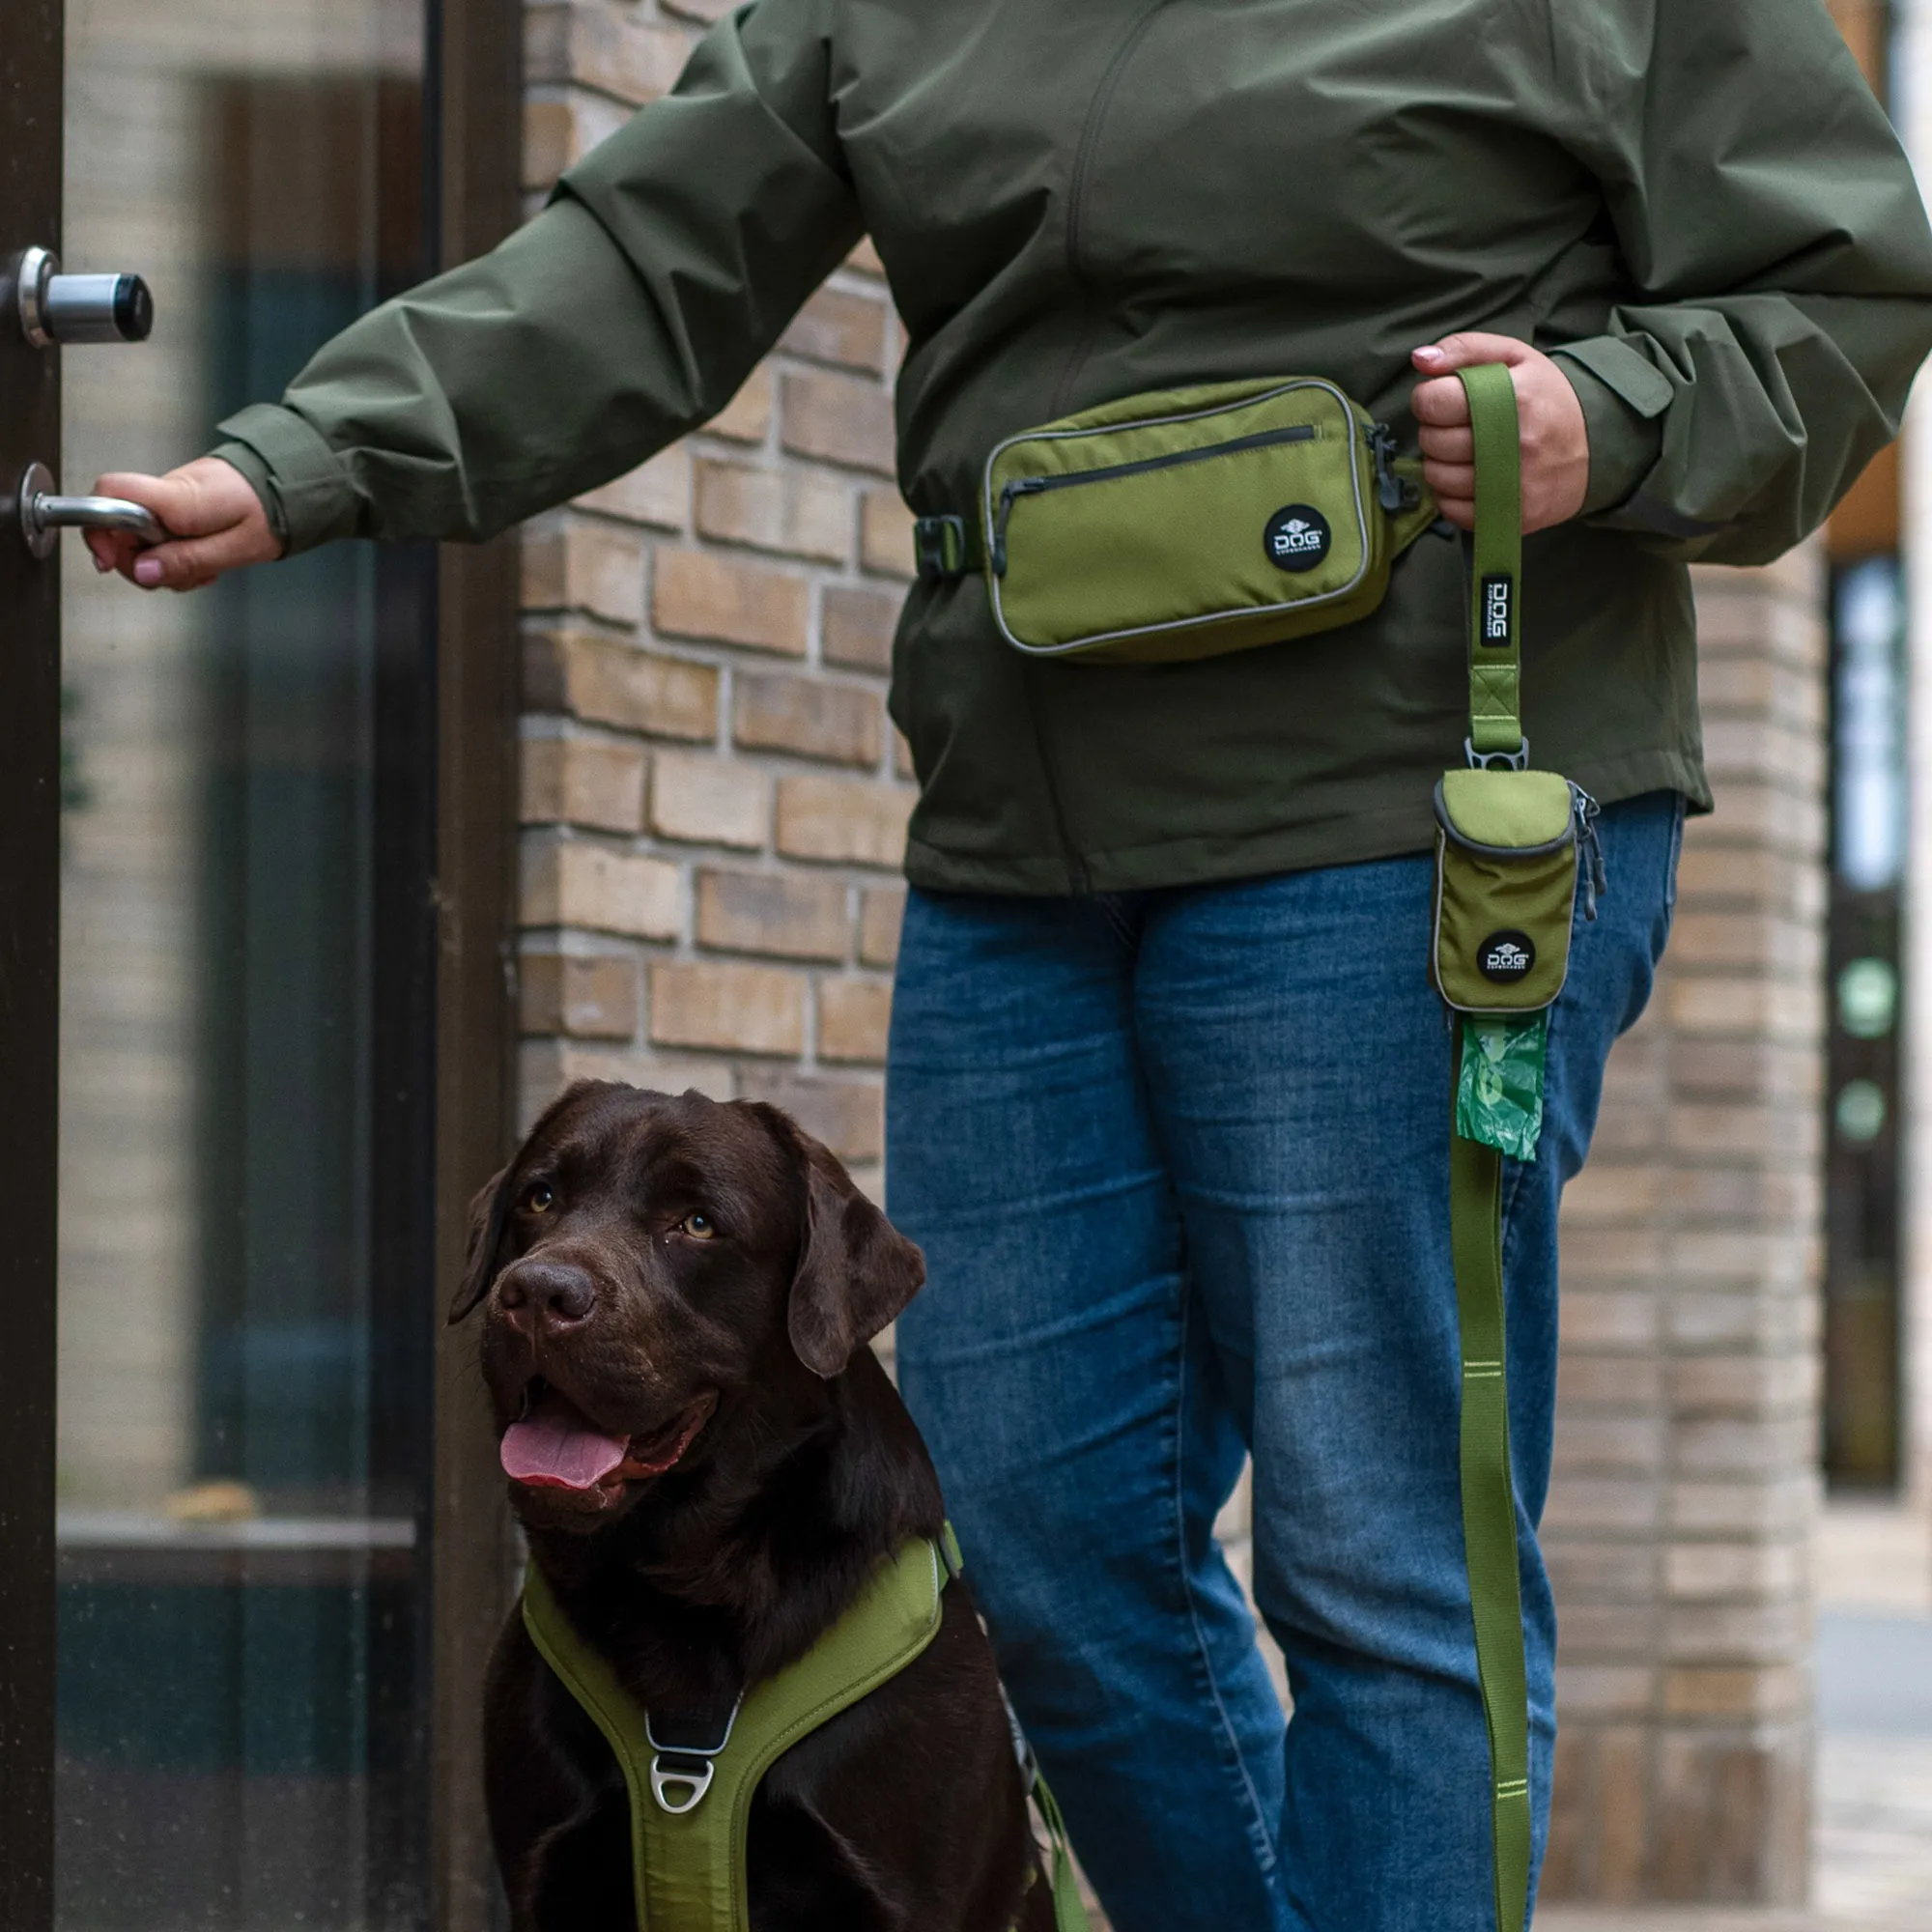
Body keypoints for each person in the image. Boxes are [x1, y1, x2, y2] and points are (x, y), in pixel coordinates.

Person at [88, 3, 1932, 1926]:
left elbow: (1842, 284)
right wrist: (308, 455)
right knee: (1038, 1554)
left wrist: (1614, 419)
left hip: (1396, 808)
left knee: (1381, 1568)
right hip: (1022, 842)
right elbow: (639, 258)